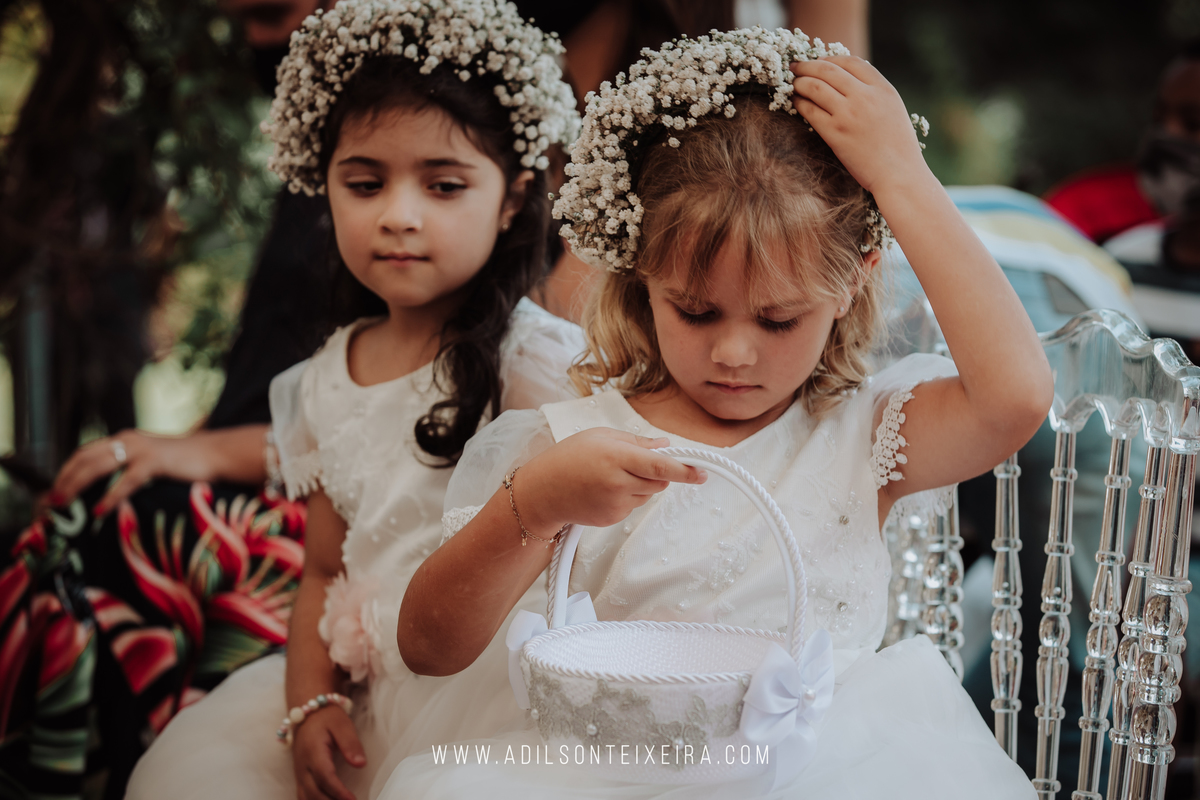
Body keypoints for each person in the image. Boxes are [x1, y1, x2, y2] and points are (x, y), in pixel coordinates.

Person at [387, 27, 1048, 798]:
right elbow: (428, 647)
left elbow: (1017, 398)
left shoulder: (866, 436)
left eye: (777, 321)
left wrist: (903, 178)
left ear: (852, 283)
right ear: (641, 277)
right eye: (696, 311)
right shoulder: (571, 443)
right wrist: (535, 503)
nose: (734, 354)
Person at [124, 2, 582, 799]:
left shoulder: (531, 358)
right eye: (365, 183)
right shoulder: (324, 377)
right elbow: (321, 574)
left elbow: (574, 550)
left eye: (443, 186)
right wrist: (311, 699)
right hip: (372, 701)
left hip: (491, 698)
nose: (398, 216)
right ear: (324, 186)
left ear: (512, 198)